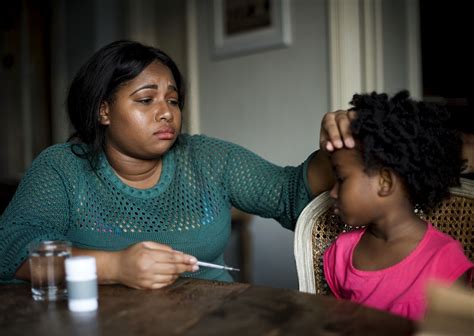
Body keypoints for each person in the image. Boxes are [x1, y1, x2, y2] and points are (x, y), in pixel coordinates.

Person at [0, 40, 337, 290]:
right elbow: (11, 250)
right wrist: (115, 267)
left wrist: (335, 148)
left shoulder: (207, 159)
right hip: (99, 335)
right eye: (146, 100)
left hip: (210, 326)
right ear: (103, 110)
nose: (166, 112)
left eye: (173, 100)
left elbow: (289, 194)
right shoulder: (62, 168)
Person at [323, 91, 473, 320]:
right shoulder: (340, 253)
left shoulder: (444, 261)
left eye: (341, 179)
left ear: (385, 182)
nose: (332, 192)